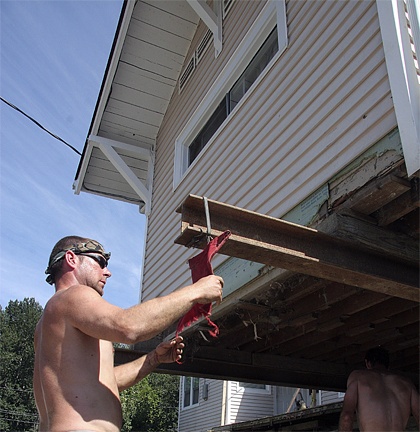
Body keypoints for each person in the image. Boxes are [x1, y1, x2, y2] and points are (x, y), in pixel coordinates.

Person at [33, 236, 224, 431]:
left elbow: (105, 381)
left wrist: (152, 359)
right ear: (71, 259)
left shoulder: (48, 322)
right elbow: (128, 326)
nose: (107, 272)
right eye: (100, 261)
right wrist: (197, 291)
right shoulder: (71, 296)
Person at [339, 346, 419, 431]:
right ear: (387, 365)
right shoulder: (406, 383)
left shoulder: (359, 377)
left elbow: (346, 417)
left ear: (367, 363)